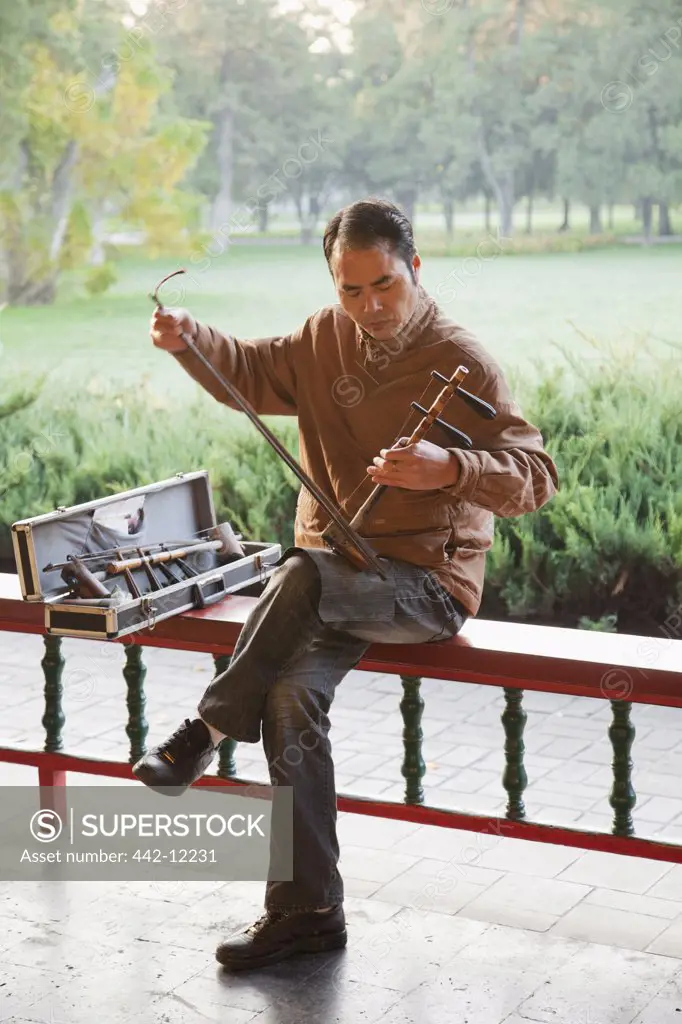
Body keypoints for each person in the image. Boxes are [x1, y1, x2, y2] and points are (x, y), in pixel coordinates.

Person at [133, 197, 559, 971]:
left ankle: (204, 733)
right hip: (334, 577)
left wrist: (451, 467)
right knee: (292, 697)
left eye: (384, 286)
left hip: (422, 587)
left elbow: (537, 478)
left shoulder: (463, 359)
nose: (369, 308)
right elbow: (251, 372)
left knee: (297, 567)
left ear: (415, 269)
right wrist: (188, 339)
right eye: (350, 290)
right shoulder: (324, 337)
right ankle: (309, 915)